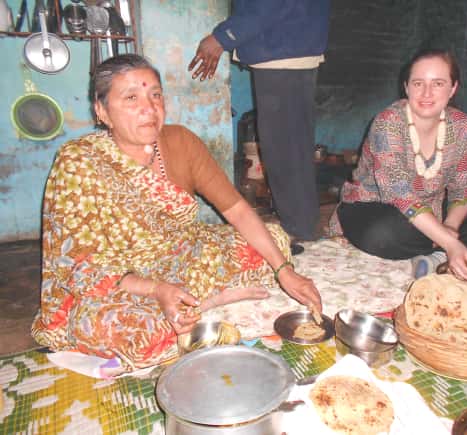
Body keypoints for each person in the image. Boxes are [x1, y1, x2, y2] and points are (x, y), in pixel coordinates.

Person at [31, 54, 322, 373]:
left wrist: (283, 270)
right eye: (131, 97)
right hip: (116, 280)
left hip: (177, 254)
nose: (149, 108)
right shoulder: (79, 162)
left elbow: (237, 209)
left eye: (155, 95)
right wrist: (157, 290)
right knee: (121, 327)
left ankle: (192, 303)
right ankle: (207, 302)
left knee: (275, 241)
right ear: (102, 112)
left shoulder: (180, 141)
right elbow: (78, 265)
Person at [329, 48, 467, 280]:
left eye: (438, 83)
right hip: (374, 207)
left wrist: (450, 227)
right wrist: (448, 241)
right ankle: (443, 249)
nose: (426, 92)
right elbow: (398, 194)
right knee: (382, 234)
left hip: (431, 209)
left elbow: (465, 185)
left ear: (453, 88)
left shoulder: (460, 124)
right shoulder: (388, 123)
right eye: (418, 83)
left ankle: (434, 258)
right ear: (406, 87)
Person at [188, 0, 331, 254]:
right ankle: (301, 226)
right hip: (289, 46)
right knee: (290, 146)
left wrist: (223, 36)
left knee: (284, 148)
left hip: (283, 50)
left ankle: (299, 230)